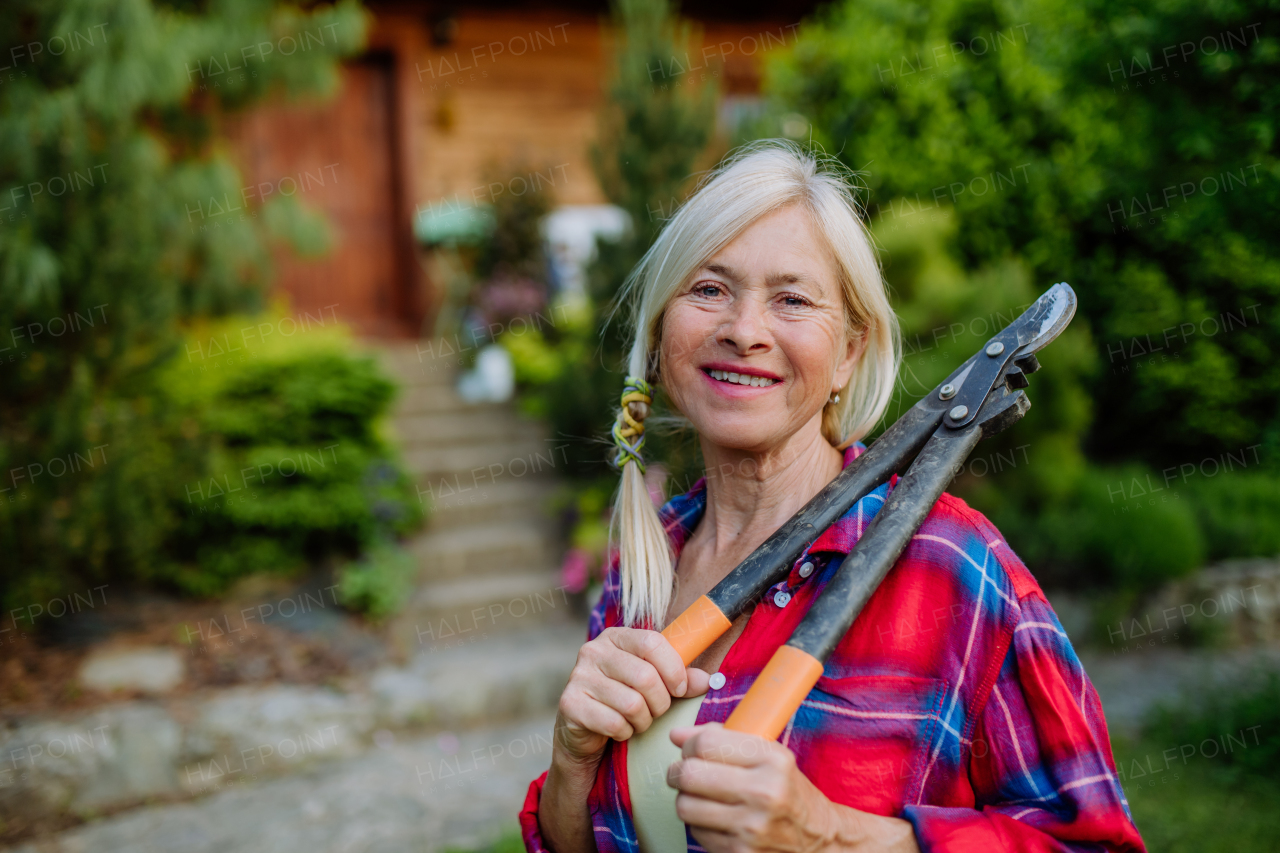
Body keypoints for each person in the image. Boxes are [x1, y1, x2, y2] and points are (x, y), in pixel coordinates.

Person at [520, 141, 1145, 853]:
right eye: (708, 289)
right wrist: (572, 761)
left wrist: (831, 836)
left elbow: (1092, 843)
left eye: (792, 299)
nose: (744, 331)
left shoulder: (953, 564)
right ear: (662, 334)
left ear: (850, 350)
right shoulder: (645, 562)